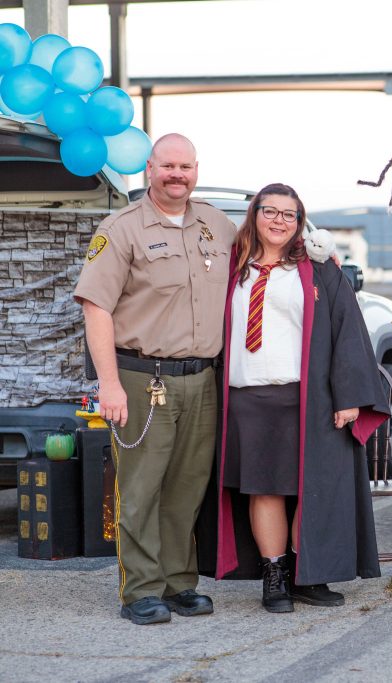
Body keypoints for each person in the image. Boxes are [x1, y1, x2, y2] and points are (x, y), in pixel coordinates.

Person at [74, 133, 237, 625]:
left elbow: (265, 257)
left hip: (202, 379)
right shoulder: (120, 228)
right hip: (143, 378)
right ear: (150, 169)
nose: (177, 175)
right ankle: (141, 589)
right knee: (142, 488)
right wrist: (109, 383)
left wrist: (319, 256)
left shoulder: (216, 223)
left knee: (188, 487)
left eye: (185, 167)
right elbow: (95, 306)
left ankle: (179, 582)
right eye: (167, 166)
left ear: (196, 170)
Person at [212, 183, 388, 612]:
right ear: (254, 216)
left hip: (306, 399)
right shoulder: (229, 268)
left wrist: (349, 397)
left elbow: (347, 331)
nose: (278, 221)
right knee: (264, 490)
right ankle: (273, 577)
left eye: (289, 215)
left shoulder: (317, 269)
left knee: (312, 489)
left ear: (300, 222)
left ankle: (304, 574)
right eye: (270, 211)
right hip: (247, 400)